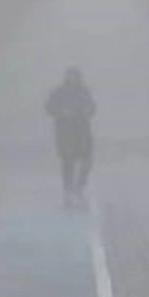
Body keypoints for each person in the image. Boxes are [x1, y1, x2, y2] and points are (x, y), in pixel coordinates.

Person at [46, 67, 96, 205]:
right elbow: (49, 107)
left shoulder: (84, 91)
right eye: (70, 76)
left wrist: (87, 110)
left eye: (74, 76)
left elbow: (92, 107)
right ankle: (68, 188)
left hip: (82, 131)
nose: (72, 78)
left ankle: (80, 186)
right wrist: (62, 112)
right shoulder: (59, 92)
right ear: (66, 77)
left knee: (87, 159)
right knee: (68, 161)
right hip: (65, 132)